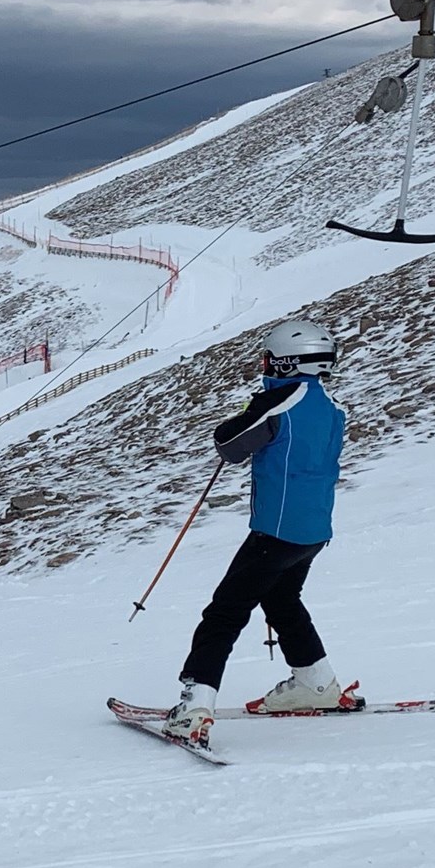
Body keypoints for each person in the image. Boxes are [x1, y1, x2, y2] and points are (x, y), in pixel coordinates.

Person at [164, 320, 359, 748]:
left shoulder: (284, 402)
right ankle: (317, 683)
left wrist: (257, 407)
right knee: (282, 600)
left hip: (277, 530)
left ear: (287, 362)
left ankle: (194, 707)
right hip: (313, 530)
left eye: (268, 358)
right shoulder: (330, 404)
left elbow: (229, 444)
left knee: (224, 614)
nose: (264, 364)